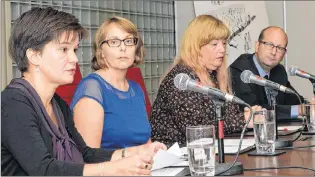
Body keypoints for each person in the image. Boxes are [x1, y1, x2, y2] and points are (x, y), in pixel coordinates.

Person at [1, 7, 166, 176]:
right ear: (34, 56)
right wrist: (114, 168)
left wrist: (137, 152)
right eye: (64, 49)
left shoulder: (57, 104)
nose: (74, 59)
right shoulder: (13, 103)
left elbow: (85, 153)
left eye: (74, 50)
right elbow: (44, 170)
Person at [149, 15, 261, 146]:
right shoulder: (182, 79)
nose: (222, 49)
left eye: (224, 43)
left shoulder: (214, 75)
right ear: (196, 47)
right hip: (174, 156)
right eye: (214, 44)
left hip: (204, 152)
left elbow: (225, 116)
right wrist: (243, 120)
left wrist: (246, 114)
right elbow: (197, 129)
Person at [70, 16, 151, 150]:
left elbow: (144, 143)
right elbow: (89, 158)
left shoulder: (136, 89)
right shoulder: (92, 89)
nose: (123, 48)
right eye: (114, 42)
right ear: (101, 51)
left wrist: (154, 150)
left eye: (129, 41)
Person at [229, 26, 304, 121]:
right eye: (269, 45)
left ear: (284, 54)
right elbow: (254, 110)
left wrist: (308, 105)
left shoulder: (279, 70)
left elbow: (295, 99)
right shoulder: (240, 70)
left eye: (280, 48)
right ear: (257, 46)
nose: (274, 52)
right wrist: (297, 110)